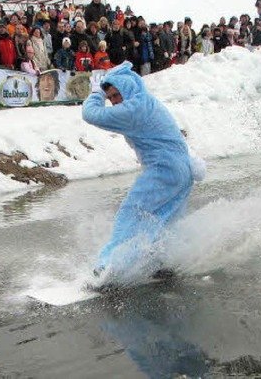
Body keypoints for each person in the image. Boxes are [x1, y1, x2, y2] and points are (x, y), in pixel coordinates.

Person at [82, 61, 204, 277]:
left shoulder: (132, 110)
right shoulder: (146, 101)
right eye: (110, 98)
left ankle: (109, 267)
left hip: (164, 169)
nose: (113, 101)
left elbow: (90, 114)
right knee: (163, 218)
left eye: (115, 95)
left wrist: (96, 93)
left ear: (126, 89)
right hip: (184, 169)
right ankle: (160, 261)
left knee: (131, 214)